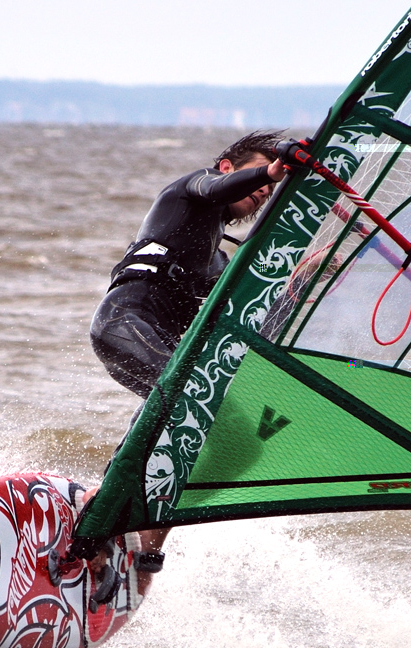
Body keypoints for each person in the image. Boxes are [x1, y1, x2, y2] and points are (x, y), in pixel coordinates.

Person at [80, 132, 289, 603]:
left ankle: (147, 541)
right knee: (182, 402)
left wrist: (298, 282)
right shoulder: (188, 191)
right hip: (124, 323)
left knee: (238, 443)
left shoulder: (219, 262)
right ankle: (96, 519)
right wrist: (272, 169)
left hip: (165, 355)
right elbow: (213, 188)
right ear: (226, 167)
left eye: (269, 189)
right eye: (257, 178)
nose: (263, 190)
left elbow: (249, 327)